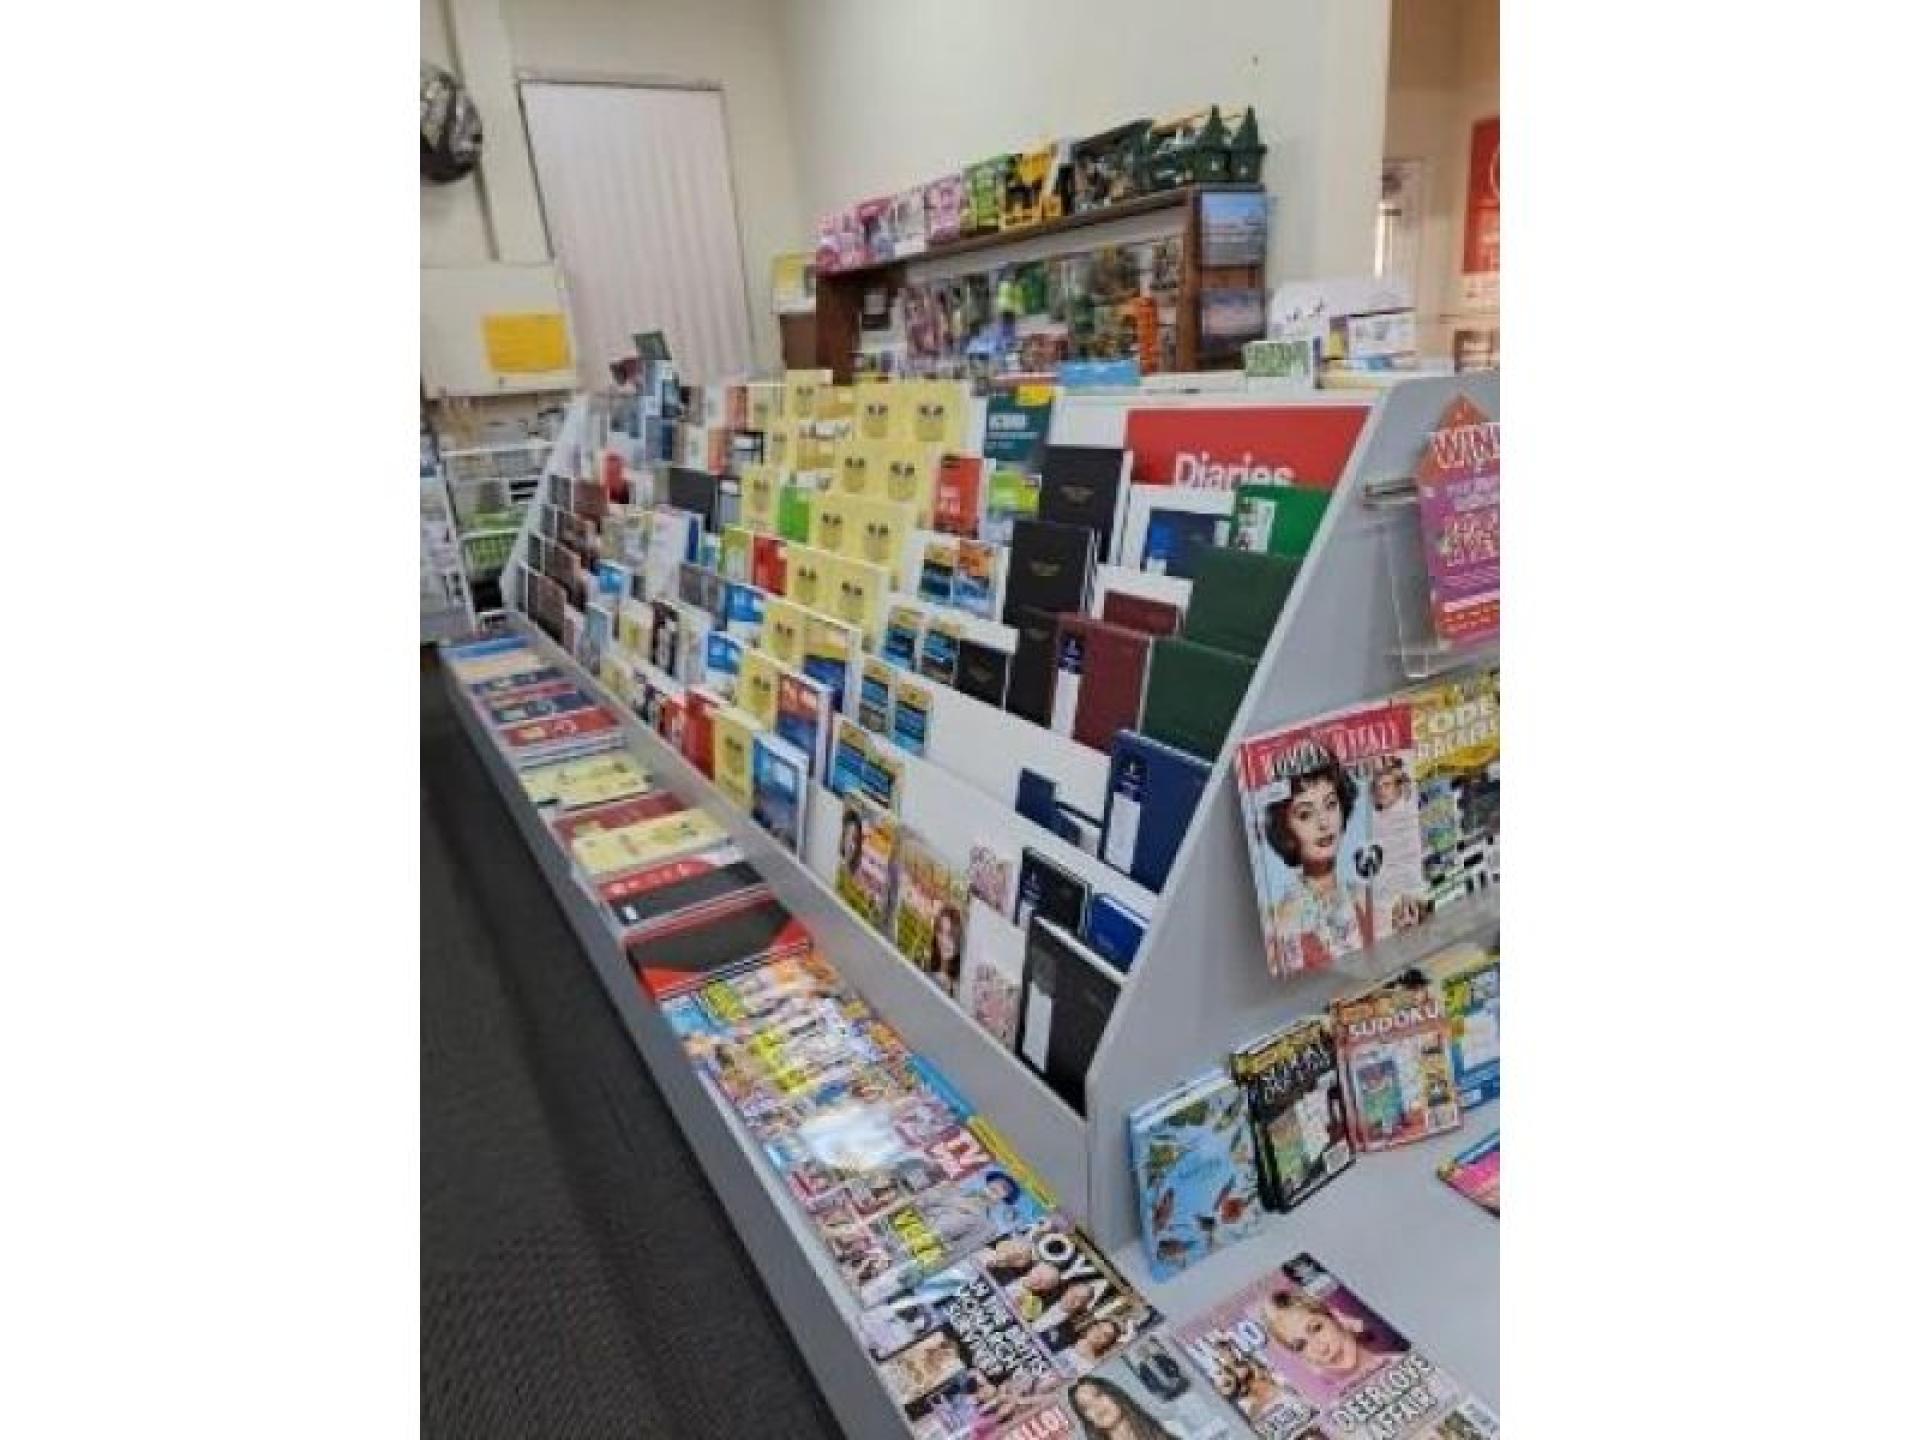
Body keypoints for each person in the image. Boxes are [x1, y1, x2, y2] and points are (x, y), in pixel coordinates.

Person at [1262, 742, 1372, 970]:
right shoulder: (1279, 922)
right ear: (1286, 830)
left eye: (1330, 804)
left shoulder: (1365, 897)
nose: (1323, 822)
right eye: (1305, 814)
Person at [1261, 1289, 1407, 1385]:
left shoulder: (1404, 1361)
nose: (1321, 1348)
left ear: (1336, 1318)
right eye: (1300, 1345)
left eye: (1317, 1328)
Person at [1068, 1375, 1177, 1440]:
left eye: (1098, 1395)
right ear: (1086, 1418)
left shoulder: (1161, 1432)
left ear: (1114, 1395)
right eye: (1086, 1407)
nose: (1095, 1406)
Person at [930, 903, 965, 993]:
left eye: (950, 935)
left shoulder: (960, 986)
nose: (944, 941)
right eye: (940, 931)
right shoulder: (928, 967)